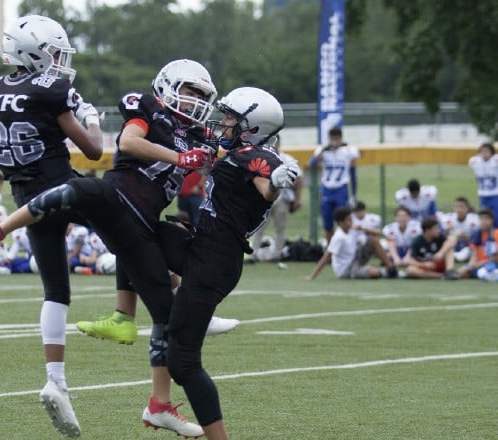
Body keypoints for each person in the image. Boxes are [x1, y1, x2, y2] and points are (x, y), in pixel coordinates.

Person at [0, 58, 218, 437]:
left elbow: (231, 159)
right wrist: (181, 157)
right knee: (78, 190)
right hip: (116, 196)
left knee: (166, 310)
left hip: (135, 222)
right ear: (167, 87)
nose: (195, 100)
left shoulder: (200, 135)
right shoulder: (149, 109)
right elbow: (128, 142)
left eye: (201, 95)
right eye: (189, 91)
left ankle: (158, 404)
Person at [0, 14, 104, 438]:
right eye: (50, 52)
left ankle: (57, 380)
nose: (56, 61)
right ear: (30, 51)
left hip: (26, 196)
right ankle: (175, 293)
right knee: (130, 226)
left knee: (56, 290)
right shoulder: (50, 90)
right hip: (64, 187)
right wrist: (91, 117)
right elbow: (93, 149)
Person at [149, 86, 298, 439]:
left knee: (183, 362)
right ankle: (166, 310)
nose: (223, 123)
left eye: (231, 118)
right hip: (202, 246)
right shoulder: (236, 150)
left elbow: (267, 187)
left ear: (253, 127)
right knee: (135, 231)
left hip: (216, 261)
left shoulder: (259, 157)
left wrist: (276, 184)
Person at [305, 206, 398, 281]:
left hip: (355, 258)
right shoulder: (338, 237)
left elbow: (379, 233)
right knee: (374, 273)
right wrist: (312, 276)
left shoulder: (352, 229)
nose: (351, 221)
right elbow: (327, 256)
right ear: (341, 223)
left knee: (373, 240)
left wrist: (362, 228)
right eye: (349, 219)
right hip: (346, 269)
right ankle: (389, 273)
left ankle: (391, 269)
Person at [251, 134, 303, 262]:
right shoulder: (262, 158)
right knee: (258, 227)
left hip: (282, 198)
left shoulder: (287, 159)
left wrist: (297, 198)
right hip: (264, 198)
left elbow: (299, 178)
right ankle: (253, 254)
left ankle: (276, 254)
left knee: (280, 227)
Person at [309, 126, 359, 244]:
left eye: (337, 138)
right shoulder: (323, 150)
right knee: (328, 222)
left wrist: (354, 193)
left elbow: (353, 164)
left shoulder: (348, 150)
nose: (335, 141)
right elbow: (312, 162)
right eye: (333, 138)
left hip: (341, 188)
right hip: (327, 189)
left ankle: (344, 245)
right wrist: (324, 150)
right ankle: (330, 248)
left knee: (343, 220)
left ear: (341, 138)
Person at [403, 215, 458, 279]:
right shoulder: (417, 241)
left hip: (439, 264)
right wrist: (424, 265)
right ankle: (441, 276)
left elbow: (453, 239)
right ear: (427, 230)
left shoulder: (439, 237)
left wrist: (441, 252)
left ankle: (449, 271)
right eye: (435, 228)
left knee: (449, 248)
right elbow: (410, 260)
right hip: (426, 267)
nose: (438, 230)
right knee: (410, 270)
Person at [456, 209, 498, 279]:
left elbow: (496, 258)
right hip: (479, 264)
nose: (483, 221)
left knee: (485, 270)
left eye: (486, 219)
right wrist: (471, 265)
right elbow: (474, 254)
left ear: (492, 220)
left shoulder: (495, 234)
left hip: (492, 264)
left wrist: (481, 263)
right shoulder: (477, 234)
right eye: (481, 218)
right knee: (462, 271)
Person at [438, 197, 480, 262]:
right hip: (453, 246)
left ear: (467, 209)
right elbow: (440, 237)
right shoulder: (448, 218)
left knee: (468, 251)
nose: (459, 210)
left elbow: (478, 240)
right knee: (451, 239)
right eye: (456, 207)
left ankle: (453, 257)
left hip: (467, 246)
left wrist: (467, 237)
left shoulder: (475, 220)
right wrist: (447, 230)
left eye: (461, 207)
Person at [468, 142, 498, 227]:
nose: (484, 154)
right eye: (482, 151)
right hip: (483, 195)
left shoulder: (495, 161)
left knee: (496, 219)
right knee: (484, 219)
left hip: (495, 195)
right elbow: (471, 163)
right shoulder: (475, 161)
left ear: (492, 152)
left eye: (487, 151)